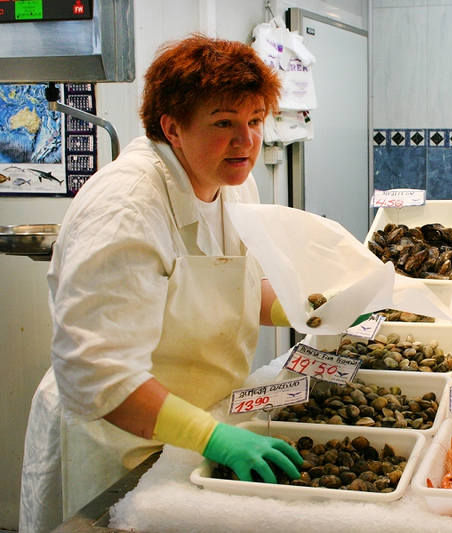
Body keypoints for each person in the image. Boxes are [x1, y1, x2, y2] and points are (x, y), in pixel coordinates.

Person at [19, 34, 303, 533]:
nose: (247, 141)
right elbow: (98, 374)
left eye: (255, 121)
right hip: (116, 444)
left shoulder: (231, 182)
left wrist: (309, 308)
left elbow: (231, 290)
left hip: (193, 429)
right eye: (224, 123)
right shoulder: (126, 207)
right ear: (172, 127)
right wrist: (213, 438)